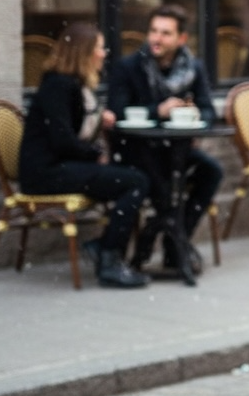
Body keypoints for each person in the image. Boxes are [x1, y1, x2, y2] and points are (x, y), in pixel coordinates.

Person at [18, 22, 150, 289]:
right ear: (84, 52)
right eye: (100, 47)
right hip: (46, 173)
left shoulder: (71, 85)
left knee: (134, 178)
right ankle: (109, 258)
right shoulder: (58, 86)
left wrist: (101, 122)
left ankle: (105, 248)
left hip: (61, 167)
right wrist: (95, 153)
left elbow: (72, 131)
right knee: (135, 182)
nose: (104, 53)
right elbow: (62, 139)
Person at [107, 4, 223, 269]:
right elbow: (117, 110)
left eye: (165, 33)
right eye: (153, 31)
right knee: (163, 188)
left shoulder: (193, 68)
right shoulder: (129, 67)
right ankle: (171, 240)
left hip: (177, 151)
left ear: (181, 38)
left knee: (211, 172)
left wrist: (194, 113)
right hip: (138, 151)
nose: (156, 39)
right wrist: (157, 111)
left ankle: (173, 241)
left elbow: (208, 110)